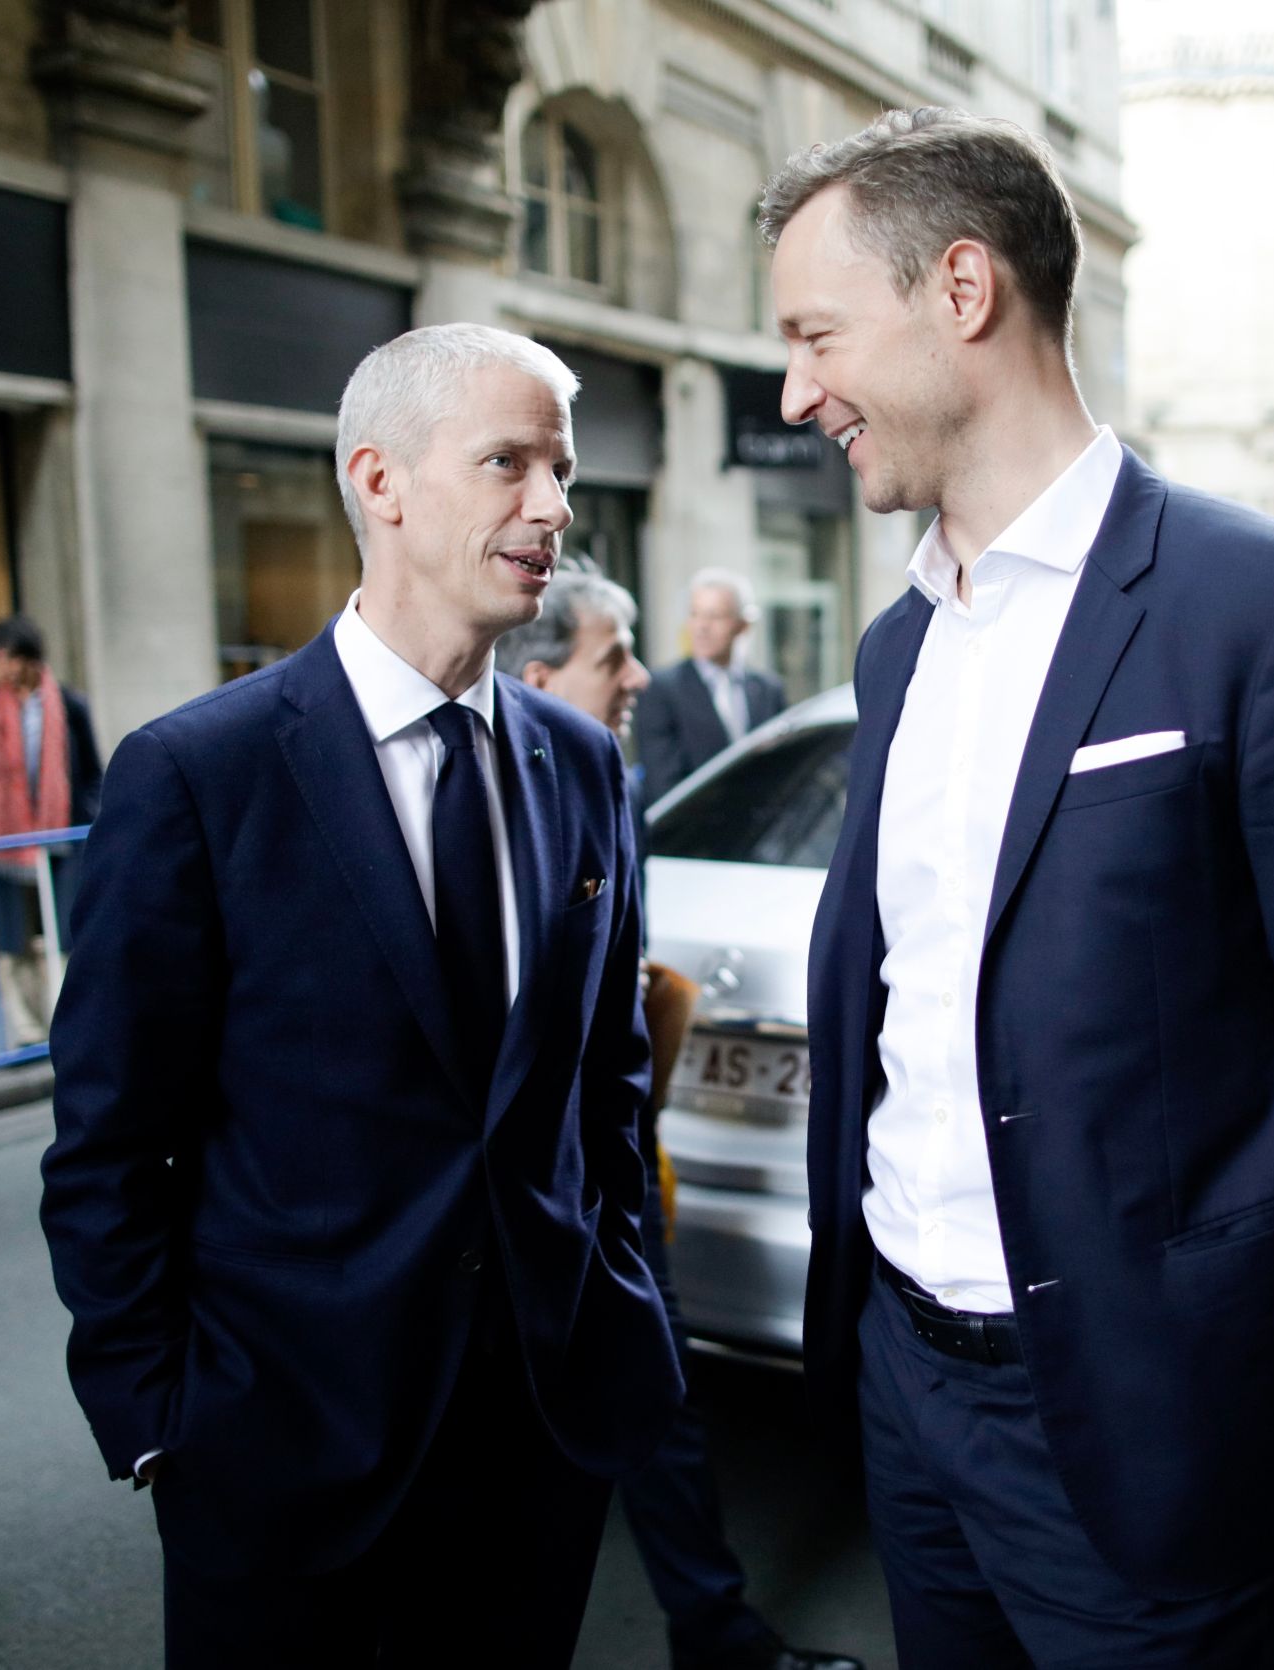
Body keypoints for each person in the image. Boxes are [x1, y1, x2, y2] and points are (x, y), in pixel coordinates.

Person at [761, 107, 1274, 1666]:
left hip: (1143, 1402)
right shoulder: (901, 643)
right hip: (905, 1380)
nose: (795, 388)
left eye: (817, 333)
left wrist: (1221, 1279)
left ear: (963, 291)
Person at [40, 323, 682, 1669]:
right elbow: (108, 1139)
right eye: (509, 462)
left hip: (541, 1445)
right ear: (380, 481)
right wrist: (160, 1417)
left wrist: (623, 1318)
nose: (555, 507)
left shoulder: (582, 765)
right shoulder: (197, 777)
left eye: (560, 471)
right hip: (278, 1460)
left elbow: (605, 1086)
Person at [498, 570, 864, 1670]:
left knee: (659, 1407)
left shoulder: (602, 780)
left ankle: (716, 1633)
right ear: (538, 675)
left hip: (619, 1172)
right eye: (614, 656)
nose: (641, 673)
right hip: (526, 1197)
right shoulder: (466, 799)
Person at [0, 614, 103, 1046]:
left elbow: (92, 771)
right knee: (11, 938)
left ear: (32, 659)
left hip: (61, 839)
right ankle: (27, 1029)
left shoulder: (70, 705)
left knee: (66, 935)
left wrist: (89, 821)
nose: (4, 668)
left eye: (11, 658)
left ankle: (67, 1025)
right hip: (3, 840)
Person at [635, 568, 785, 803]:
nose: (701, 627)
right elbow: (663, 785)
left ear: (743, 625)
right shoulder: (661, 690)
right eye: (695, 615)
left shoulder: (767, 689)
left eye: (715, 616)